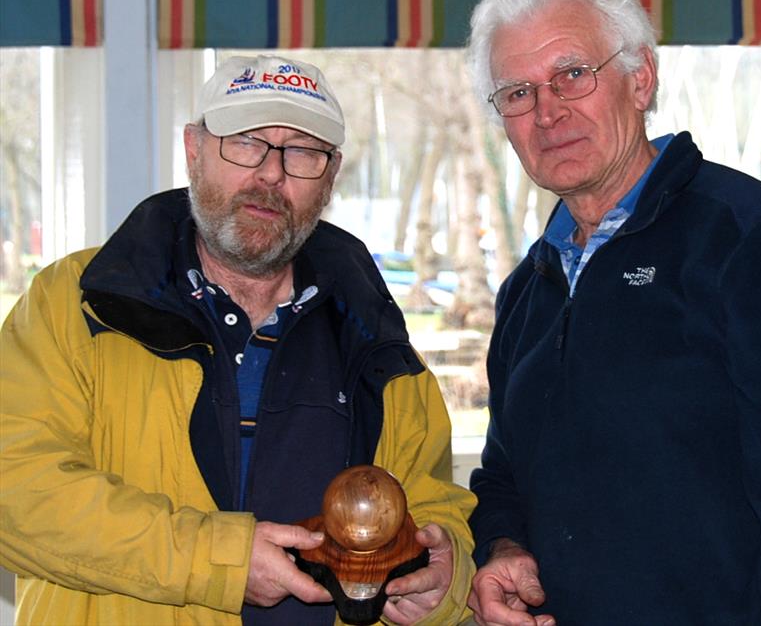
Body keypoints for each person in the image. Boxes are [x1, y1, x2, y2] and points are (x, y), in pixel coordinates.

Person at [0, 55, 476, 626]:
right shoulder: (77, 304)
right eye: (246, 141)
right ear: (194, 150)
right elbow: (17, 490)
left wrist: (446, 574)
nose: (272, 174)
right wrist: (219, 560)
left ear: (330, 177)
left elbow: (430, 505)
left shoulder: (378, 344)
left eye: (302, 151)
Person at [464, 0, 761, 626]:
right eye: (518, 93)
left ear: (640, 78)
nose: (548, 110)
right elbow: (502, 471)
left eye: (572, 74)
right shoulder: (526, 292)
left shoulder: (756, 241)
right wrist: (503, 547)